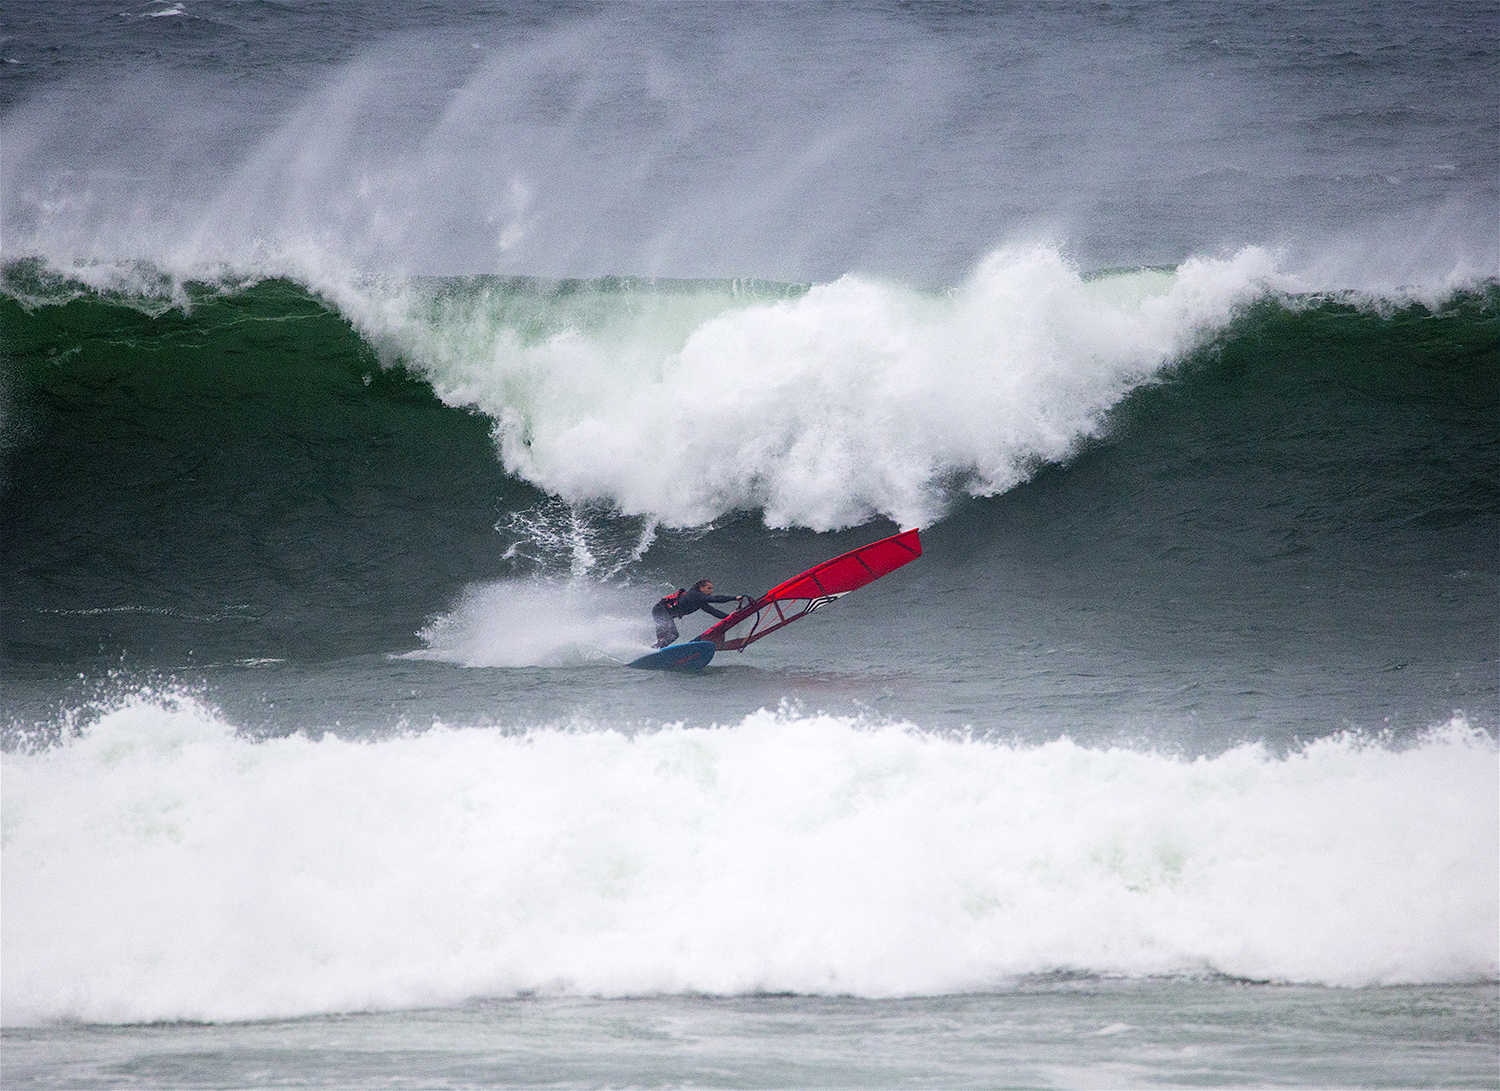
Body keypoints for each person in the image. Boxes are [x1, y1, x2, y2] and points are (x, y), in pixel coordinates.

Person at [652, 579, 745, 648]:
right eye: (709, 588)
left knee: (665, 638)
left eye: (712, 589)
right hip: (660, 610)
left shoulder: (699, 600)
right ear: (701, 588)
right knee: (673, 634)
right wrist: (735, 598)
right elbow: (715, 599)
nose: (711, 591)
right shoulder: (695, 595)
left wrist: (729, 617)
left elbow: (714, 612)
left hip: (662, 612)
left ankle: (653, 650)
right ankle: (656, 650)